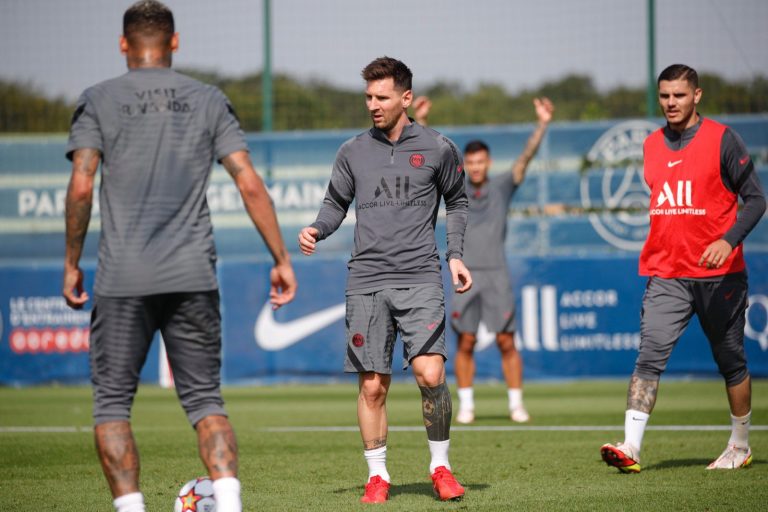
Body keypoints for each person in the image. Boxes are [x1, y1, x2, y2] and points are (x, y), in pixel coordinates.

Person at [62, 2, 297, 511]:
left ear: (123, 43)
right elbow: (249, 183)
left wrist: (71, 261)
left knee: (111, 407)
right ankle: (229, 505)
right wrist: (280, 257)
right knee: (206, 403)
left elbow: (80, 187)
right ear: (175, 42)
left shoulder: (98, 100)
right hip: (192, 273)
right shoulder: (209, 99)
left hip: (123, 277)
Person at [298, 57, 471, 503]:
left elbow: (459, 202)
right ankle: (378, 476)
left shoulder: (439, 147)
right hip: (366, 281)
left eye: (382, 97)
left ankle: (441, 468)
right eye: (368, 98)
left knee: (429, 372)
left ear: (406, 98)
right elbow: (335, 204)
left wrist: (455, 256)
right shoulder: (352, 150)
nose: (373, 105)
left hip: (420, 277)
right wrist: (317, 228)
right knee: (373, 385)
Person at [600, 64, 765, 473]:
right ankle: (632, 448)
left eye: (679, 95)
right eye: (664, 96)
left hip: (720, 275)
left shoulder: (723, 139)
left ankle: (740, 445)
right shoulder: (652, 143)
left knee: (731, 360)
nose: (671, 103)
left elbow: (756, 200)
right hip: (667, 272)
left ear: (697, 96)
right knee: (648, 356)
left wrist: (728, 240)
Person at [414, 96, 555, 424]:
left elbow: (526, 158)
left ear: (488, 162)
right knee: (466, 340)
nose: (476, 167)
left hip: (496, 273)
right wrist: (420, 121)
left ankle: (516, 404)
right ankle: (466, 405)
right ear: (467, 163)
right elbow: (431, 155)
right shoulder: (456, 185)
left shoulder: (503, 186)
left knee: (507, 340)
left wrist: (543, 124)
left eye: (480, 162)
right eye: (471, 162)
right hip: (464, 272)